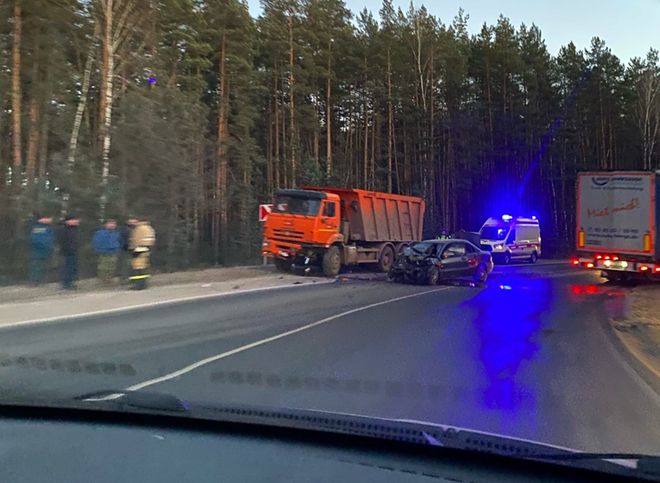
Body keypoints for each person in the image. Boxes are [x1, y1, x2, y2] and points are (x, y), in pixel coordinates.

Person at [129, 218, 156, 289]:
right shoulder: (149, 228)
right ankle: (144, 284)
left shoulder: (139, 228)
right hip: (146, 249)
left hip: (139, 249)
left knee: (138, 268)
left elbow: (136, 240)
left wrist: (133, 248)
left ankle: (139, 285)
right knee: (143, 268)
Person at [92, 218, 121, 284]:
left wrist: (117, 248)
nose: (111, 225)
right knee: (103, 266)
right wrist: (99, 249)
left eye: (113, 224)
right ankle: (102, 279)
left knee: (112, 266)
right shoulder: (100, 233)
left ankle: (109, 279)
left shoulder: (116, 233)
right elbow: (96, 242)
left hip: (114, 252)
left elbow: (119, 241)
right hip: (104, 252)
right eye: (110, 224)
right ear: (106, 225)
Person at [29, 214, 54, 285]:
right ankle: (35, 280)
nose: (51, 220)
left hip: (44, 250)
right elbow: (35, 239)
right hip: (39, 250)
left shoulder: (48, 227)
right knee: (37, 265)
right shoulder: (38, 228)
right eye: (49, 218)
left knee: (42, 266)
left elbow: (51, 238)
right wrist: (46, 246)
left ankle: (40, 280)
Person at [58, 214, 80, 290]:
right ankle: (65, 284)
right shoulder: (63, 229)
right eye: (74, 219)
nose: (76, 221)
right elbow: (62, 241)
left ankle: (70, 282)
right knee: (66, 268)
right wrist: (67, 250)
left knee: (72, 268)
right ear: (68, 221)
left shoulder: (75, 229)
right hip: (67, 252)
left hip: (73, 252)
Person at [119, 216, 138, 284]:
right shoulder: (125, 229)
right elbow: (123, 239)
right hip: (127, 250)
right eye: (131, 220)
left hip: (136, 249)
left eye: (135, 220)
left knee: (134, 265)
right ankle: (125, 279)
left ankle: (134, 279)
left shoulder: (138, 229)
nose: (133, 222)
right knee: (126, 265)